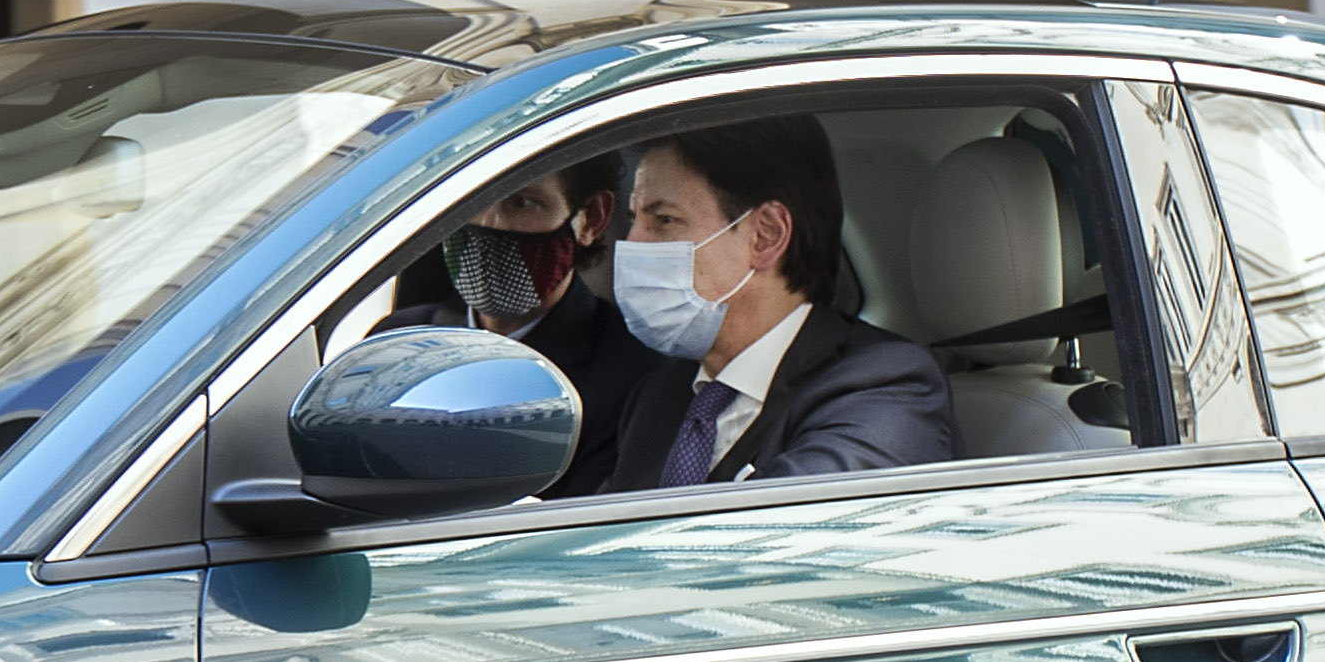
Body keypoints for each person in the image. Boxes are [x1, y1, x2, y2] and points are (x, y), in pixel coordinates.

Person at [601, 117, 956, 490]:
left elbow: (784, 535)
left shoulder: (887, 387)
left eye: (664, 220)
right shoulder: (661, 395)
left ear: (766, 236)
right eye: (634, 219)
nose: (633, 244)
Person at [383, 157, 661, 498]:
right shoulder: (396, 343)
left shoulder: (635, 375)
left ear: (591, 218)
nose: (490, 221)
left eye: (522, 202)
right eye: (473, 198)